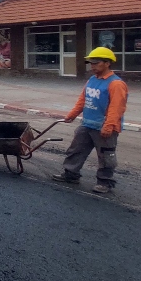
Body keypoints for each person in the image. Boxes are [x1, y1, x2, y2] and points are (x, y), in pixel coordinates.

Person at [52, 47, 128, 194]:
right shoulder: (92, 80)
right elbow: (83, 100)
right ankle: (71, 174)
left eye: (96, 63)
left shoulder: (116, 84)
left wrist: (109, 125)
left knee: (106, 155)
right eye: (90, 63)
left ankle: (105, 182)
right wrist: (72, 114)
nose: (92, 66)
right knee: (76, 149)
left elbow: (117, 107)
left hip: (105, 127)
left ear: (107, 63)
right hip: (87, 124)